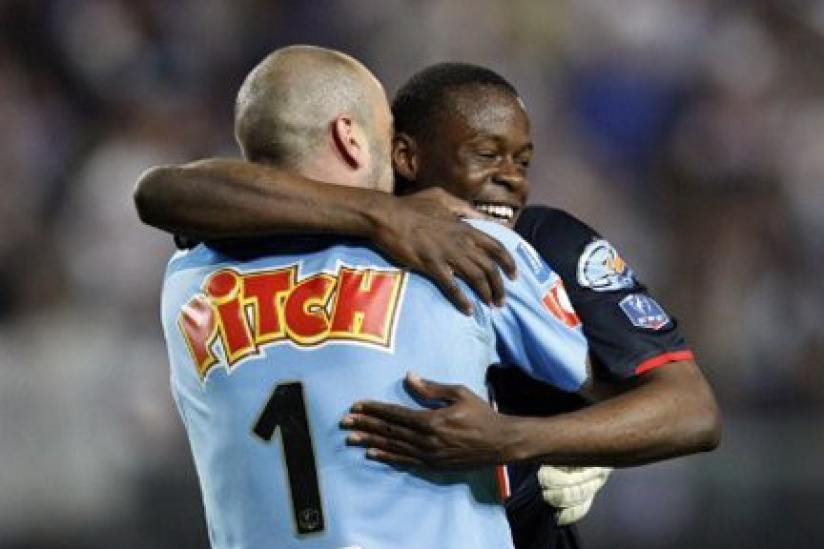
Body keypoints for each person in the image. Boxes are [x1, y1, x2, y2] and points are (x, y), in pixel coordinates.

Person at [137, 62, 721, 548]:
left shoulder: (196, 268)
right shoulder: (483, 252)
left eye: (523, 161)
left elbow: (165, 192)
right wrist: (381, 213)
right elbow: (163, 191)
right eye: (486, 155)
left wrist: (545, 437)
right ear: (384, 148)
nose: (512, 179)